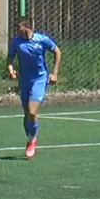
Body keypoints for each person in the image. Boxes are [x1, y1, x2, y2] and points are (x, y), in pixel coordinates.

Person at [6, 17, 61, 159]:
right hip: (24, 80)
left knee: (32, 111)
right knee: (27, 114)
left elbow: (57, 51)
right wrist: (10, 69)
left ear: (27, 28)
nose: (17, 30)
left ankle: (32, 140)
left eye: (19, 27)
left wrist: (54, 73)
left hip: (39, 79)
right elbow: (10, 57)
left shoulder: (41, 39)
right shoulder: (16, 42)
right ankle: (30, 137)